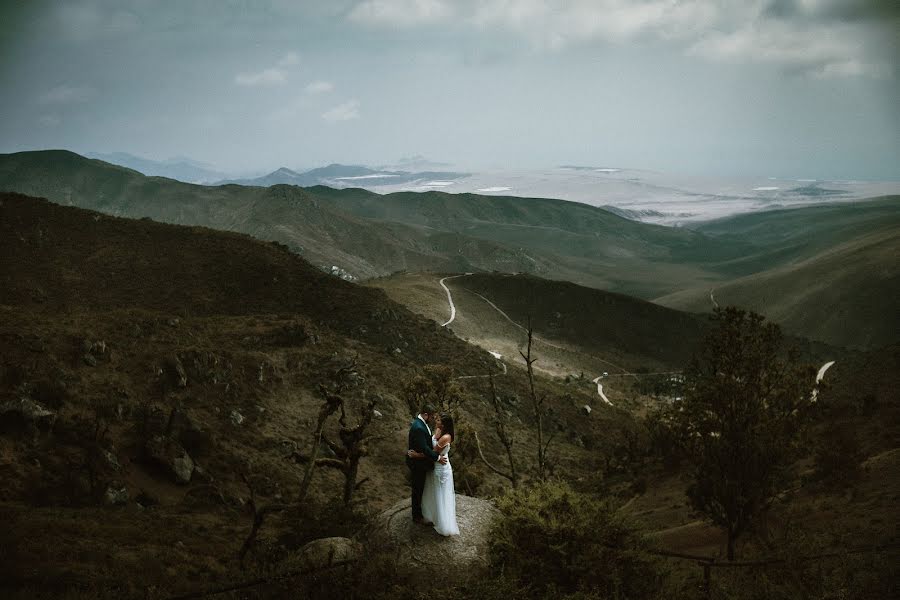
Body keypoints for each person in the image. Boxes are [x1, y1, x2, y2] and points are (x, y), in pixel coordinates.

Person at [408, 413, 459, 536]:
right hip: (434, 464)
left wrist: (416, 455)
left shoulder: (446, 437)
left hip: (440, 467)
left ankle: (442, 521)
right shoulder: (439, 430)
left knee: (440, 493)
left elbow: (432, 452)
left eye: (439, 420)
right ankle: (432, 515)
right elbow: (432, 442)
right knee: (432, 491)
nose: (436, 421)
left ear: (444, 424)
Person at [406, 404, 447, 525]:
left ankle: (420, 512)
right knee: (417, 489)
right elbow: (424, 448)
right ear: (425, 415)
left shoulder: (422, 424)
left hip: (420, 461)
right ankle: (417, 516)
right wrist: (437, 457)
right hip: (418, 464)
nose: (433, 419)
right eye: (432, 416)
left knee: (420, 488)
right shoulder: (419, 427)